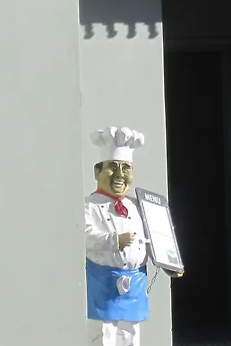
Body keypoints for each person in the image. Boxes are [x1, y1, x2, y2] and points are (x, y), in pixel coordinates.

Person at [85, 127, 149, 346]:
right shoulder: (90, 206)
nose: (120, 175)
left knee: (130, 332)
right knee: (104, 333)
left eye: (126, 168)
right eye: (113, 167)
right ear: (97, 172)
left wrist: (167, 259)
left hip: (135, 281)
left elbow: (151, 236)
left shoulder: (138, 206)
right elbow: (85, 236)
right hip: (103, 281)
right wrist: (114, 241)